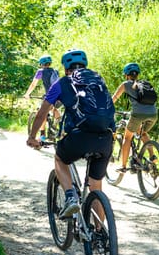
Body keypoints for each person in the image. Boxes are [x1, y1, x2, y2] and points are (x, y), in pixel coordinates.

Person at [27, 50, 115, 217]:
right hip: (105, 138)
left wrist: (32, 137)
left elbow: (42, 113)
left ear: (66, 67)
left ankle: (70, 198)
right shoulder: (99, 81)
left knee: (60, 158)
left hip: (79, 137)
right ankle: (99, 236)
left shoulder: (63, 82)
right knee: (96, 186)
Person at [111, 62, 158, 172]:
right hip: (153, 114)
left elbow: (113, 99)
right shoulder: (145, 84)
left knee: (127, 137)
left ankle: (123, 166)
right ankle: (152, 156)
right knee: (143, 133)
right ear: (137, 74)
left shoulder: (125, 84)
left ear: (127, 75)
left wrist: (106, 107)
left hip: (138, 114)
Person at [23, 55, 61, 138]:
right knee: (54, 108)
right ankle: (59, 125)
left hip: (50, 95)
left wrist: (27, 94)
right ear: (50, 63)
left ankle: (42, 135)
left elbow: (33, 84)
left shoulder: (41, 71)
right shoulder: (55, 71)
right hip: (60, 96)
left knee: (42, 112)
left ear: (41, 64)